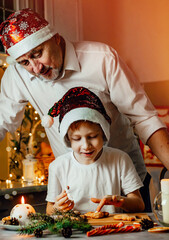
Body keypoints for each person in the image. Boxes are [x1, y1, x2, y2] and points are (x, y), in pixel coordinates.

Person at [0, 8, 169, 211]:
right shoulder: (17, 76)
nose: (36, 68)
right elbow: (2, 122)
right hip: (73, 191)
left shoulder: (101, 59)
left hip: (125, 184)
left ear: (56, 38)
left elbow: (144, 119)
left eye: (38, 54)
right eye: (25, 62)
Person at [45, 86, 145, 214]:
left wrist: (120, 201)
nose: (86, 145)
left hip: (112, 230)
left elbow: (139, 204)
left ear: (103, 133)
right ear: (68, 139)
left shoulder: (120, 159)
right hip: (75, 230)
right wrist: (57, 208)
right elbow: (49, 209)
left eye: (92, 137)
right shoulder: (58, 166)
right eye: (77, 139)